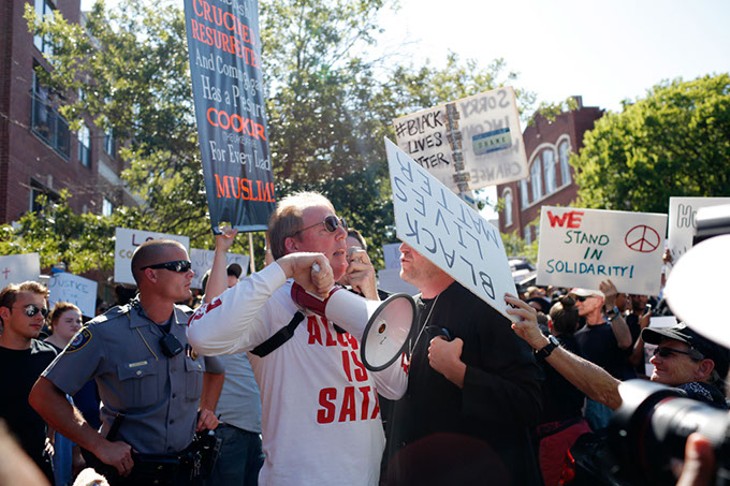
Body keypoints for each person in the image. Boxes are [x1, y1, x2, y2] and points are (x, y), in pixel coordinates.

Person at [187, 191, 407, 486]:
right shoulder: (273, 305)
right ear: (293, 245)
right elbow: (201, 336)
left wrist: (370, 296)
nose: (342, 233)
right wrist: (285, 269)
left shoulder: (362, 303)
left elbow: (395, 386)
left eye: (340, 222)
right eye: (329, 225)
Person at [30, 239, 223, 485]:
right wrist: (98, 445)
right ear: (151, 274)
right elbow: (43, 394)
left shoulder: (194, 324)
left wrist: (207, 410)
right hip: (131, 474)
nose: (191, 273)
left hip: (187, 471)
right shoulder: (106, 332)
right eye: (181, 266)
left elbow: (217, 371)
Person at [383, 242, 543, 485]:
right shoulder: (404, 309)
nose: (403, 248)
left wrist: (460, 373)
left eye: (416, 240)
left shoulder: (492, 308)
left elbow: (528, 402)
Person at [200, 229, 264, 486]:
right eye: (225, 289)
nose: (233, 296)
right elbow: (211, 304)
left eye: (235, 289)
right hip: (225, 431)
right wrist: (222, 251)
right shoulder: (202, 329)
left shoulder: (248, 326)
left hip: (255, 432)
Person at [0, 281, 56, 481]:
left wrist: (50, 436)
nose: (40, 317)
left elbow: (56, 403)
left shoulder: (48, 355)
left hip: (38, 464)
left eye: (44, 311)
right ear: (5, 314)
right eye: (31, 310)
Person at [533, 296, 592, 486]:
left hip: (553, 437)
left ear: (550, 323)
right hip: (579, 429)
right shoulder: (583, 347)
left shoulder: (540, 354)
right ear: (576, 324)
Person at [44, 302, 95, 485]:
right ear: (54, 324)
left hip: (86, 433)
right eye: (69, 320)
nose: (76, 325)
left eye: (79, 320)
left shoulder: (83, 353)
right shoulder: (44, 355)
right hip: (60, 436)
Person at [571, 282, 633, 430]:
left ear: (599, 300)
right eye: (576, 299)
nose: (578, 303)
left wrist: (612, 306)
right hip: (591, 408)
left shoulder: (613, 330)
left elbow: (625, 342)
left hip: (618, 403)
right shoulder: (577, 336)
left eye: (582, 298)